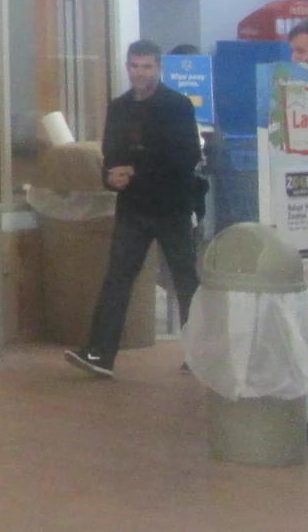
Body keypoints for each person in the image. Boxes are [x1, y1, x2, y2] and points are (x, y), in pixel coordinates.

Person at [65, 41, 204, 378]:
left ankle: (202, 356)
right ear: (126, 67)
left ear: (159, 68)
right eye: (134, 66)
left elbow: (186, 157)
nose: (139, 73)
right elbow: (110, 154)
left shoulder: (178, 105)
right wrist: (111, 178)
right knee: (117, 279)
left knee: (185, 282)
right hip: (133, 208)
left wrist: (137, 172)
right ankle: (99, 355)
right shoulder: (119, 108)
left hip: (172, 206)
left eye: (146, 66)